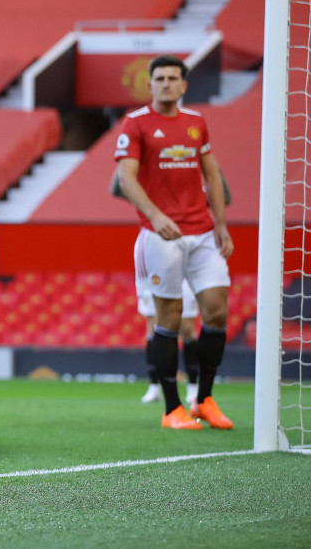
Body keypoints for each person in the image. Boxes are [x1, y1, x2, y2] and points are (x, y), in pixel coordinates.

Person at [114, 54, 234, 430]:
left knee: (216, 311)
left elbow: (212, 177)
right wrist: (155, 215)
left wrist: (222, 224)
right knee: (168, 319)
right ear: (149, 85)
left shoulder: (197, 123)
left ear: (184, 85)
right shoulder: (134, 125)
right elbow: (125, 178)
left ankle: (205, 399)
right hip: (160, 236)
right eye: (160, 78)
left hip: (202, 233)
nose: (166, 84)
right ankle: (171, 409)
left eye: (173, 78)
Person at [110, 168, 234, 404]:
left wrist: (212, 173)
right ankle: (156, 385)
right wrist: (132, 166)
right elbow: (118, 188)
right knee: (153, 321)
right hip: (157, 247)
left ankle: (194, 386)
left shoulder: (198, 173)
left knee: (186, 325)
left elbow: (224, 198)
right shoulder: (156, 175)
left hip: (192, 248)